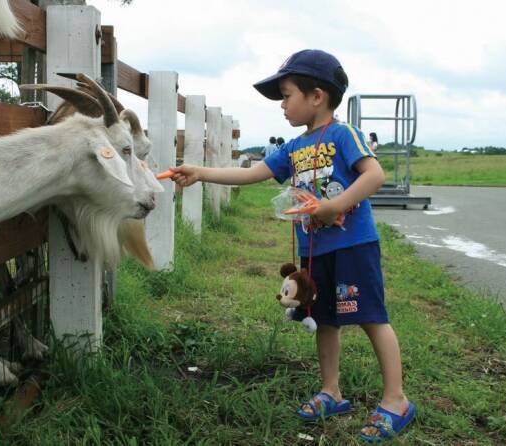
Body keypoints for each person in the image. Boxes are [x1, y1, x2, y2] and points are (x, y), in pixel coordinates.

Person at [169, 49, 415, 441]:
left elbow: (375, 175)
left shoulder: (342, 133)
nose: (282, 105)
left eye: (286, 95)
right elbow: (254, 173)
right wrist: (201, 172)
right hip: (315, 249)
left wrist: (333, 205)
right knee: (326, 319)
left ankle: (395, 399)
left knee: (371, 316)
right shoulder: (294, 147)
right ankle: (331, 391)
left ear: (316, 96)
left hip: (353, 245)